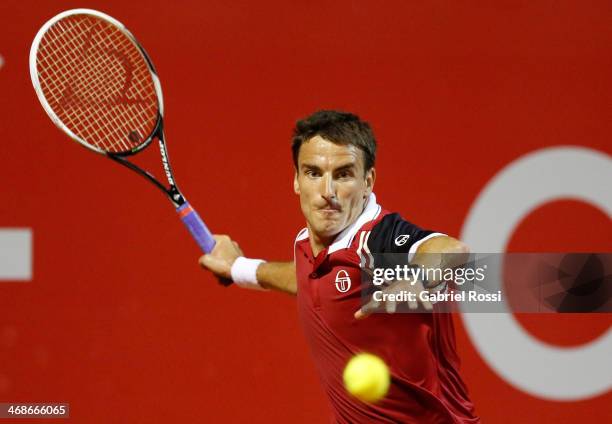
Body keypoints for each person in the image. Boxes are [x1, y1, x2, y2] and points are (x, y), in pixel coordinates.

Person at [199, 110, 480, 423]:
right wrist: (237, 267)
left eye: (343, 174)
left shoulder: (378, 241)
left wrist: (416, 280)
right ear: (296, 180)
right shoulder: (308, 243)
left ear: (367, 182)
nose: (327, 192)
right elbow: (307, 279)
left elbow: (452, 251)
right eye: (313, 173)